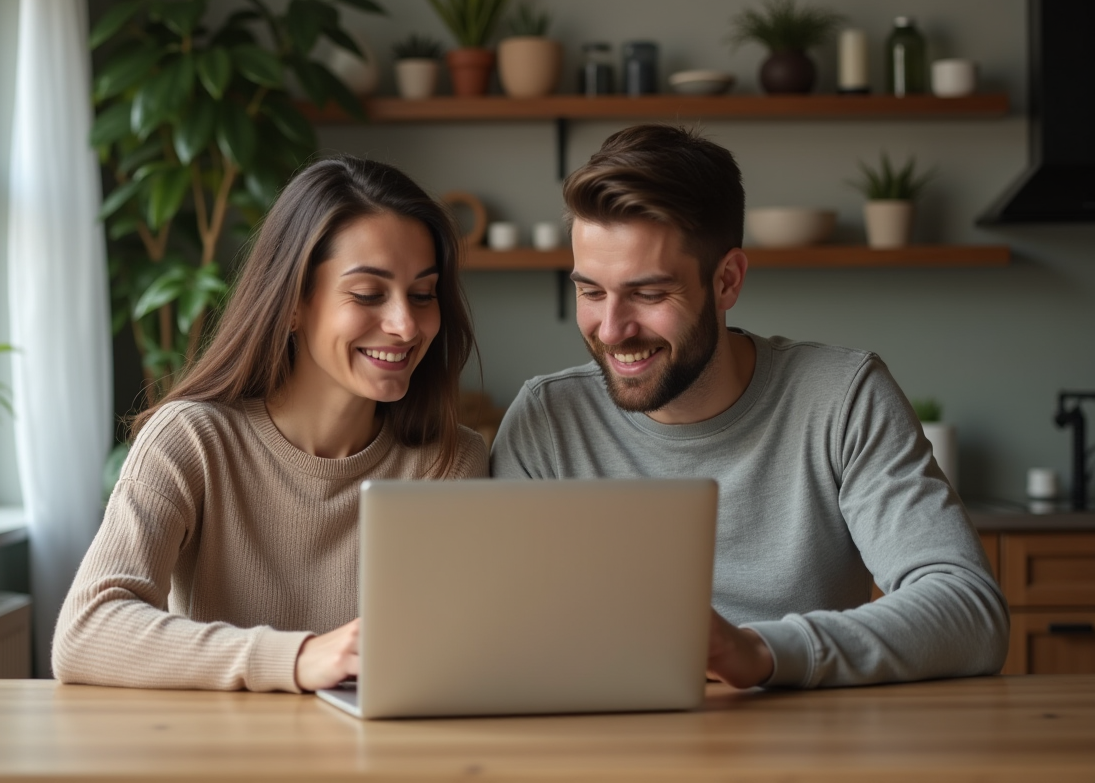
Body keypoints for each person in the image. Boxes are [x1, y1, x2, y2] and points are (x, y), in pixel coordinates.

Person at [490, 124, 1008, 689]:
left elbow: (969, 613)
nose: (612, 329)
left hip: (802, 738)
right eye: (591, 291)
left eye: (649, 293)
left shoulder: (840, 397)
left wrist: (758, 651)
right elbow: (498, 631)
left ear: (727, 281)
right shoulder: (546, 421)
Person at [53, 156, 488, 693]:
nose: (405, 325)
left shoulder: (450, 461)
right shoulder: (190, 440)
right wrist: (297, 658)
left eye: (422, 295)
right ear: (292, 305)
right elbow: (86, 630)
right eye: (368, 294)